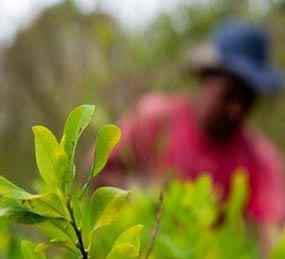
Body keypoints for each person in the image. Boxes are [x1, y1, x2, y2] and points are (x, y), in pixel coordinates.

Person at [100, 21, 285, 254]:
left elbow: (274, 232)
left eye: (247, 99)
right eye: (229, 94)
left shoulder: (260, 159)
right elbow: (98, 173)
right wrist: (142, 199)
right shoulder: (153, 120)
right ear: (207, 79)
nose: (236, 109)